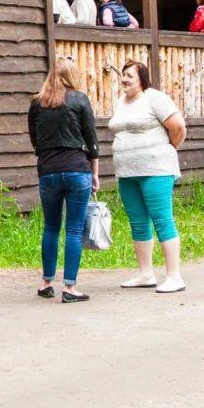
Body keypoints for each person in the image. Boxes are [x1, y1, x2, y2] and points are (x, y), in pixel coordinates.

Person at [28, 56, 100, 303]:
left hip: (48, 170)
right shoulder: (79, 99)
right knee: (74, 229)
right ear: (72, 76)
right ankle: (70, 288)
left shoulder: (37, 103)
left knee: (50, 228)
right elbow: (91, 141)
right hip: (77, 169)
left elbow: (35, 140)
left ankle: (46, 282)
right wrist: (95, 172)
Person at [110, 60, 187, 293]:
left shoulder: (155, 98)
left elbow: (178, 127)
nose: (124, 79)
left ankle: (174, 276)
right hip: (127, 172)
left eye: (130, 76)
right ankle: (146, 274)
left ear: (142, 79)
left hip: (156, 169)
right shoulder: (121, 102)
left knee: (162, 218)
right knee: (137, 220)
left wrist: (168, 149)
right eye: (123, 75)